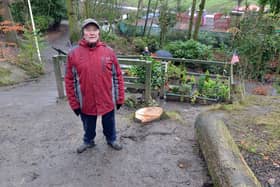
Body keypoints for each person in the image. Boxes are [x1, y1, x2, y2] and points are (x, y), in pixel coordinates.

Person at [65, 18, 125, 153]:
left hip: (106, 98)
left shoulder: (109, 52)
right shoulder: (73, 54)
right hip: (86, 100)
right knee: (88, 124)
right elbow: (69, 81)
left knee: (109, 122)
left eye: (94, 30)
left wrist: (119, 98)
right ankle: (88, 141)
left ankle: (111, 139)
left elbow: (117, 76)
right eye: (88, 30)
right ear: (83, 33)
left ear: (99, 32)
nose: (91, 33)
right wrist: (74, 104)